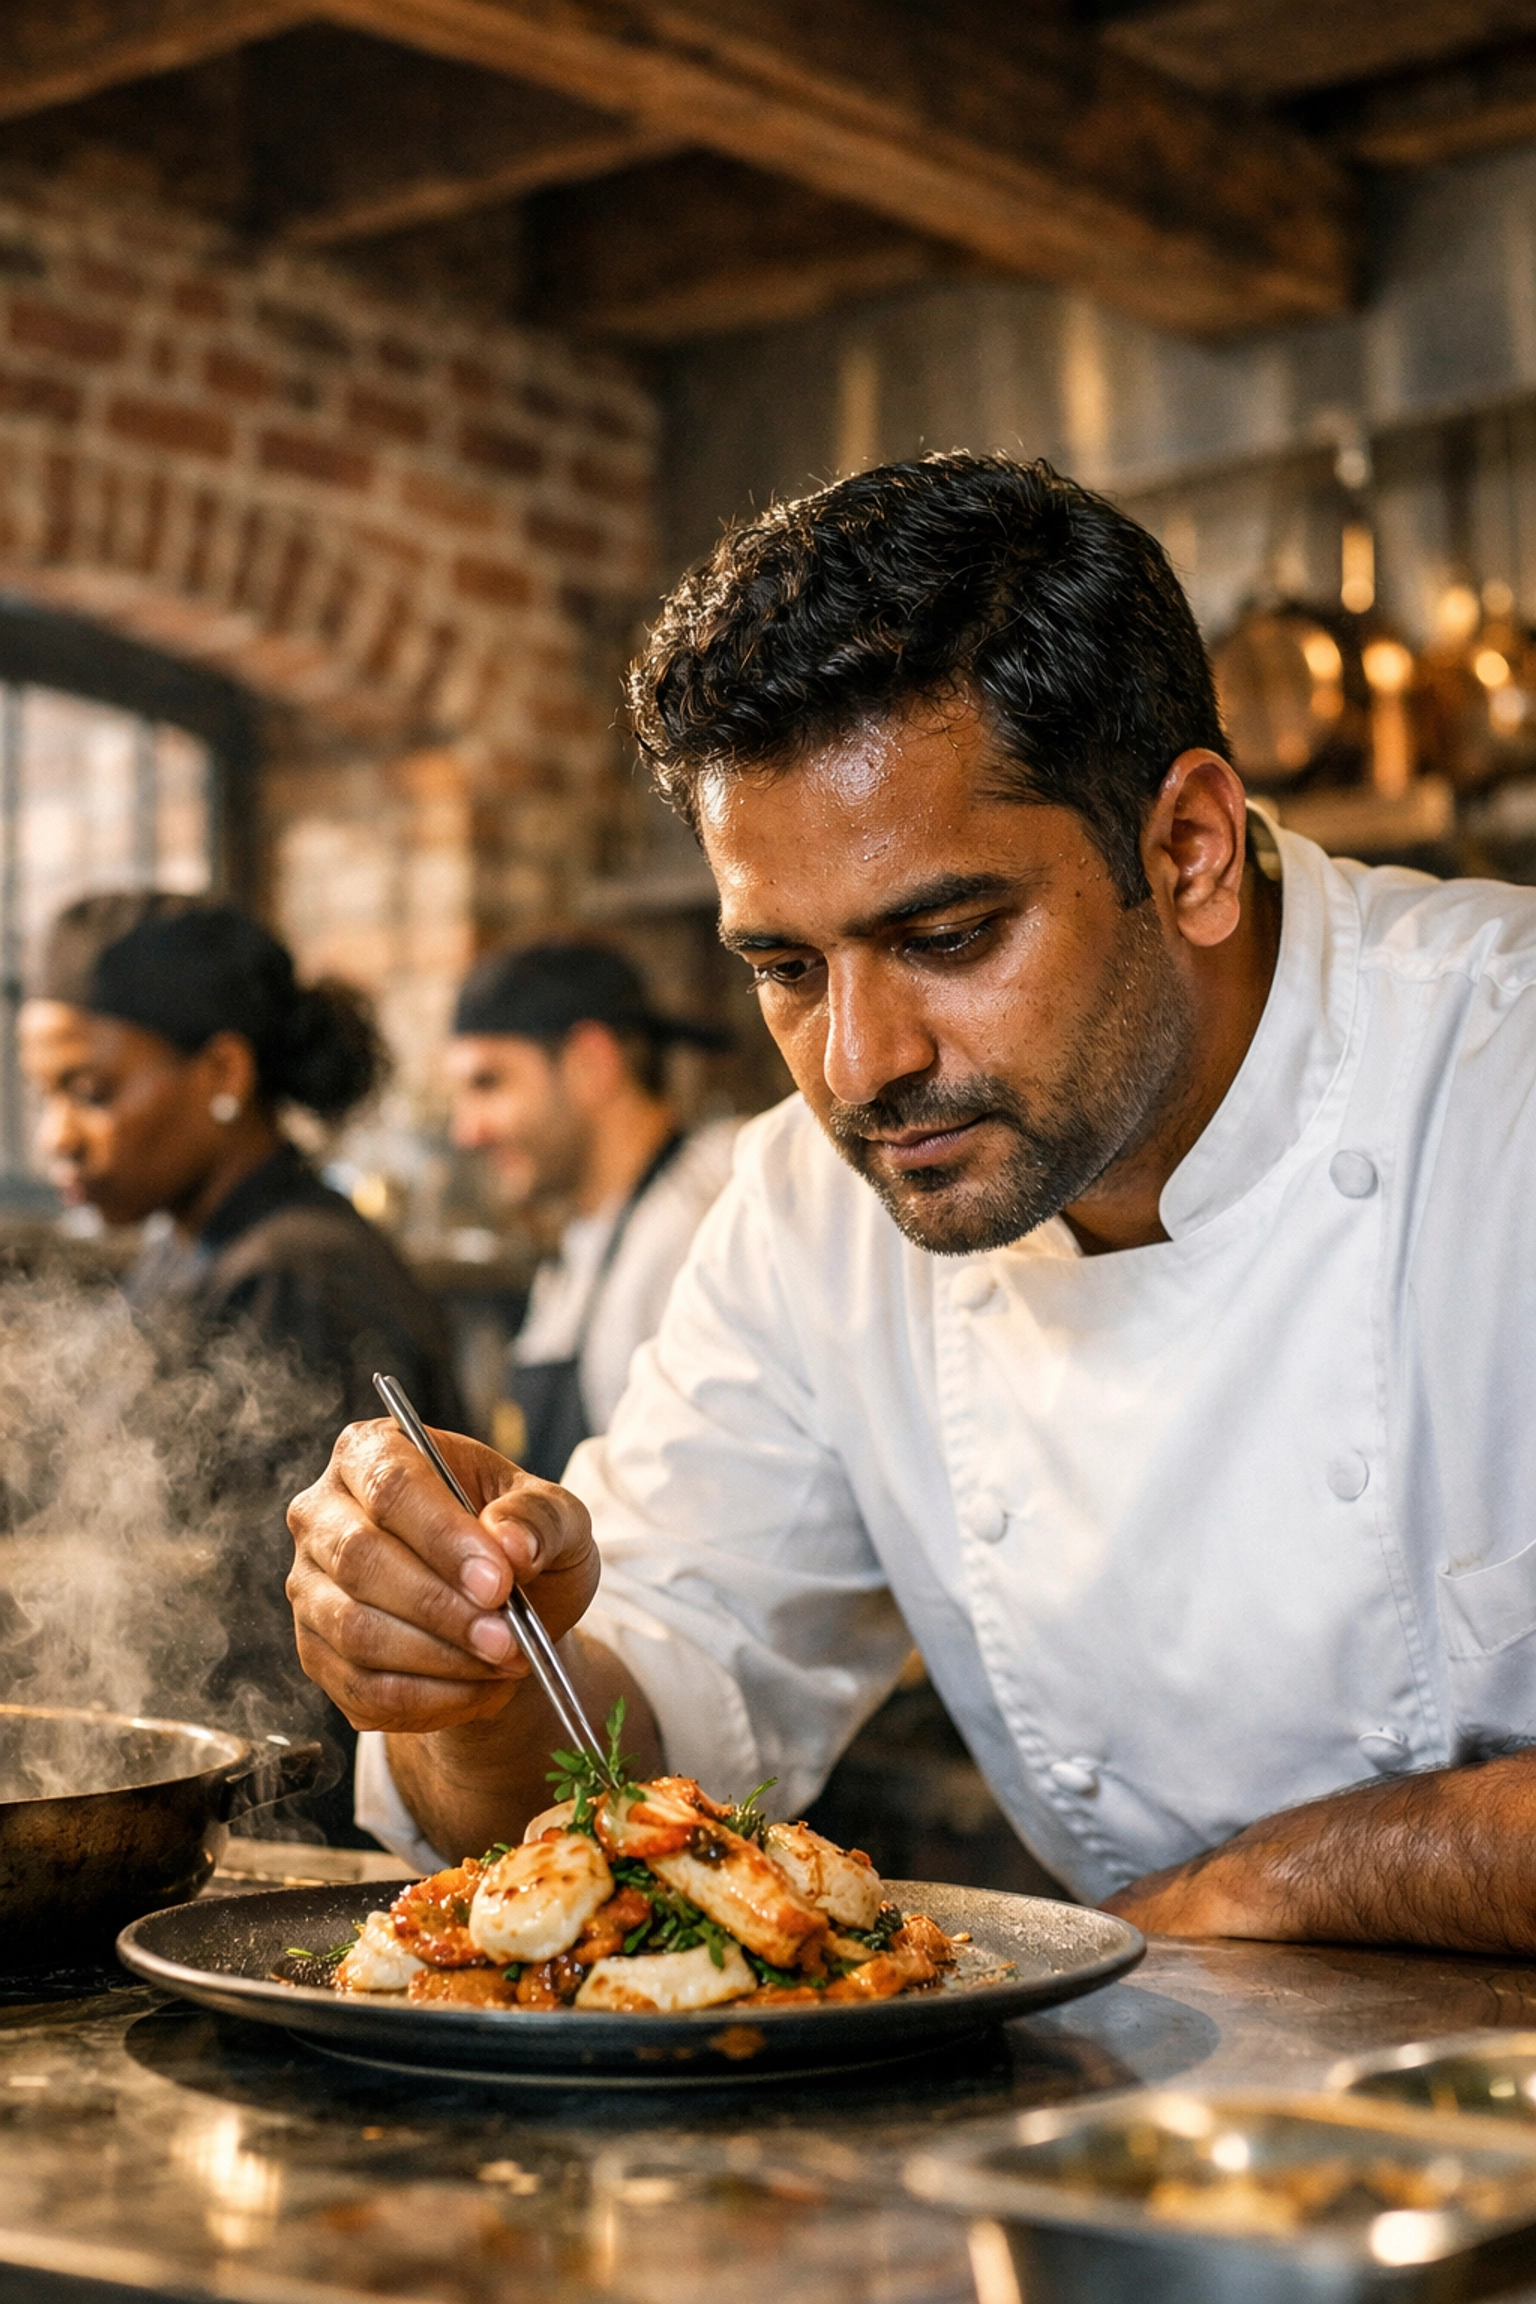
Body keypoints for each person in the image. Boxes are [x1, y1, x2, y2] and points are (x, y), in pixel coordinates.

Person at [288, 453, 1536, 1950]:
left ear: (1188, 849)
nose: (860, 1067)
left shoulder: (1500, 1071)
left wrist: (1258, 1889)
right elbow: (615, 1755)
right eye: (785, 970)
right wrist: (468, 1659)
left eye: (946, 935)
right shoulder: (805, 1213)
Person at [20, 891, 465, 1840]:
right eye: (44, 1094)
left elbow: (280, 1627)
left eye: (90, 1092)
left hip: (307, 1829)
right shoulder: (183, 1248)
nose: (55, 1136)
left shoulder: (301, 1277)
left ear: (223, 1070)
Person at [445, 941, 738, 1481]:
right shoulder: (592, 1233)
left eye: (489, 1083)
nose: (467, 1131)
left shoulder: (690, 1232)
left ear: (591, 1064)